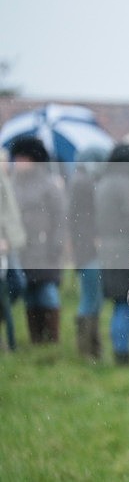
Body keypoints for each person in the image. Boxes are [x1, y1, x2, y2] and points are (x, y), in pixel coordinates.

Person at [9, 136, 66, 344]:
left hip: (45, 249)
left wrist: (56, 245)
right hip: (22, 250)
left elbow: (60, 219)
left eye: (23, 157)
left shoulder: (49, 185)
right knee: (30, 298)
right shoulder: (13, 183)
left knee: (47, 294)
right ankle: (36, 340)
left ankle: (52, 339)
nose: (18, 162)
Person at [95, 144, 129, 365]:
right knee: (124, 306)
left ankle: (117, 350)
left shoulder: (103, 182)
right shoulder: (127, 184)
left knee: (118, 304)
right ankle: (122, 353)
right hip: (125, 251)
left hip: (105, 252)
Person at [67, 146, 107, 360]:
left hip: (85, 250)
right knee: (91, 299)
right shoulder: (85, 183)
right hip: (90, 251)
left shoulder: (78, 180)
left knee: (92, 298)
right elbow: (85, 219)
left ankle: (92, 349)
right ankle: (88, 351)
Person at [0, 149, 26, 351]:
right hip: (4, 243)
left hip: (10, 243)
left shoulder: (8, 180)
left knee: (16, 284)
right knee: (12, 285)